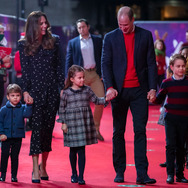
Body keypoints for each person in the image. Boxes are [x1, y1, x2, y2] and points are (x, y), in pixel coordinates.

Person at [101, 6, 157, 184]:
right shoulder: (110, 38)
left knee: (140, 131)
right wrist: (109, 87)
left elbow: (151, 64)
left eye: (126, 24)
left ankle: (142, 173)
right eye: (120, 24)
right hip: (118, 91)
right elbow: (106, 63)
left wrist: (152, 88)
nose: (123, 28)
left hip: (140, 90)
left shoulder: (145, 36)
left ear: (133, 21)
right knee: (118, 132)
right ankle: (119, 170)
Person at [18, 11, 64, 183]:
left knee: (47, 130)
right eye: (41, 23)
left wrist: (62, 88)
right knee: (36, 130)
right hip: (35, 94)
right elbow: (25, 72)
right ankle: (34, 168)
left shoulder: (55, 40)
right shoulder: (24, 45)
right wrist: (25, 92)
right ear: (33, 25)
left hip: (52, 91)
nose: (45, 26)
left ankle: (43, 165)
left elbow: (59, 67)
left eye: (46, 22)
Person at [57, 65, 107, 185]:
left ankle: (81, 176)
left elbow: (97, 100)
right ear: (72, 79)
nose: (82, 80)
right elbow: (62, 109)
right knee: (73, 150)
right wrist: (63, 123)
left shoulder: (87, 90)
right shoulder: (66, 93)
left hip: (83, 124)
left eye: (83, 77)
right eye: (79, 78)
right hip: (71, 124)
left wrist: (107, 98)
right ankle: (74, 173)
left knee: (81, 150)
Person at [150, 54, 188, 184]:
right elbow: (159, 100)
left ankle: (180, 174)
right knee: (170, 146)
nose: (181, 69)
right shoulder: (166, 83)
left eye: (183, 66)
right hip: (170, 118)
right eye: (178, 66)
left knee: (181, 147)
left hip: (184, 119)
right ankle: (170, 174)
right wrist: (152, 98)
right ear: (171, 67)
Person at [65, 18, 105, 141]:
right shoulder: (73, 42)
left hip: (94, 74)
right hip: (79, 76)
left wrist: (104, 73)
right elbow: (69, 60)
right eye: (79, 28)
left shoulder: (98, 40)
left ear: (88, 27)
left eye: (83, 27)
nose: (81, 29)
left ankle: (96, 129)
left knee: (101, 100)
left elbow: (103, 57)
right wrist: (68, 78)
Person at [0, 84, 33, 182]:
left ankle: (14, 176)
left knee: (15, 157)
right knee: (4, 156)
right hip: (5, 136)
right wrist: (1, 133)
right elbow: (0, 122)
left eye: (17, 95)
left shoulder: (22, 108)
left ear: (21, 96)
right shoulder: (3, 110)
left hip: (17, 136)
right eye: (13, 95)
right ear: (8, 97)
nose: (15, 98)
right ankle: (3, 174)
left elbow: (27, 114)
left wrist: (29, 105)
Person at [158, 66, 173, 168]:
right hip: (169, 114)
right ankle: (170, 162)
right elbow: (160, 99)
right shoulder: (167, 82)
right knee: (170, 141)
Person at [0, 24, 11, 107]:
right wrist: (2, 61)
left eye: (3, 32)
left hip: (1, 78)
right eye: (0, 32)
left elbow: (8, 65)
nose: (2, 34)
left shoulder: (3, 47)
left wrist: (8, 63)